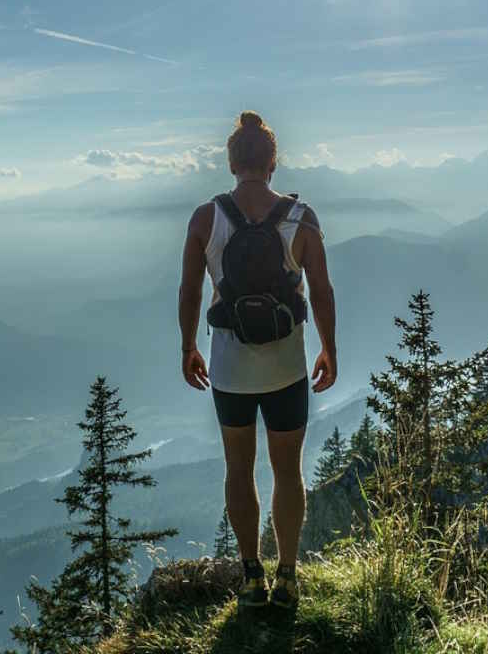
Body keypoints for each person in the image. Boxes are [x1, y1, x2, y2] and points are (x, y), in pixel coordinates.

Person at [178, 110, 337, 614]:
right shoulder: (301, 218)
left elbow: (189, 288)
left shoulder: (207, 218)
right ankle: (288, 575)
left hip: (230, 368)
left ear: (231, 162)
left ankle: (251, 577)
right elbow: (322, 290)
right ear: (272, 162)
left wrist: (188, 346)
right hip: (287, 367)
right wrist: (328, 348)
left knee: (238, 469)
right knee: (287, 472)